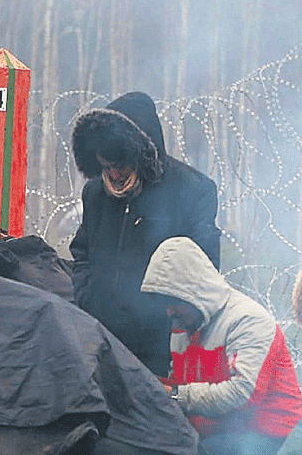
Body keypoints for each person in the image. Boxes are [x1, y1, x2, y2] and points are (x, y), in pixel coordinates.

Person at [69, 91, 220, 377]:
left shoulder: (191, 191)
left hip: (161, 351)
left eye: (120, 166)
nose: (113, 175)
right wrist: (89, 298)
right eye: (106, 167)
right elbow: (82, 252)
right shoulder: (95, 194)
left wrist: (170, 321)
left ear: (139, 155)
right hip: (102, 342)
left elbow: (205, 268)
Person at [142, 237, 302, 455]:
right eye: (165, 303)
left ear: (193, 291)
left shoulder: (248, 320)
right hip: (222, 437)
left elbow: (243, 395)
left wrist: (172, 393)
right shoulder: (184, 326)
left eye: (175, 301)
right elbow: (181, 385)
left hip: (274, 438)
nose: (169, 312)